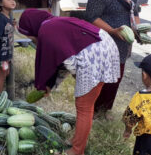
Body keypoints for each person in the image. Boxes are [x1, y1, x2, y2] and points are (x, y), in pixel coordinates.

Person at [18, 9, 121, 155]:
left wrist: (45, 85)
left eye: (28, 34)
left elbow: (49, 64)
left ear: (31, 27)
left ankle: (77, 150)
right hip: (104, 45)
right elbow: (62, 60)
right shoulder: (54, 24)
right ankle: (77, 142)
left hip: (97, 53)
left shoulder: (45, 31)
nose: (31, 38)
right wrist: (50, 85)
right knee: (86, 104)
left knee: (84, 106)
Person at [85, 0, 141, 120]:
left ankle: (104, 110)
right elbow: (91, 17)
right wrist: (112, 30)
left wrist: (139, 29)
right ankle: (92, 112)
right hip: (104, 42)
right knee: (101, 79)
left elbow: (136, 11)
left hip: (123, 44)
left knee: (115, 79)